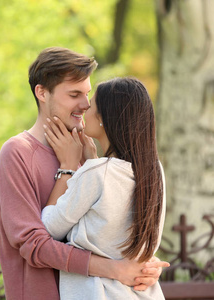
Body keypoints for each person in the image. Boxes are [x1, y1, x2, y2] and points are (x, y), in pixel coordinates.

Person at [0, 47, 169, 300]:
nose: (86, 104)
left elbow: (102, 232)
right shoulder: (17, 152)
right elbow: (34, 244)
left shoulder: (89, 156)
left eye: (87, 94)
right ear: (41, 92)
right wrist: (115, 269)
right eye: (74, 94)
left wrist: (143, 266)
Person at [41, 77, 166, 299]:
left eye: (92, 104)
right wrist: (94, 163)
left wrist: (68, 169)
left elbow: (49, 227)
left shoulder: (97, 173)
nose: (85, 108)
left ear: (103, 119)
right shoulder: (154, 171)